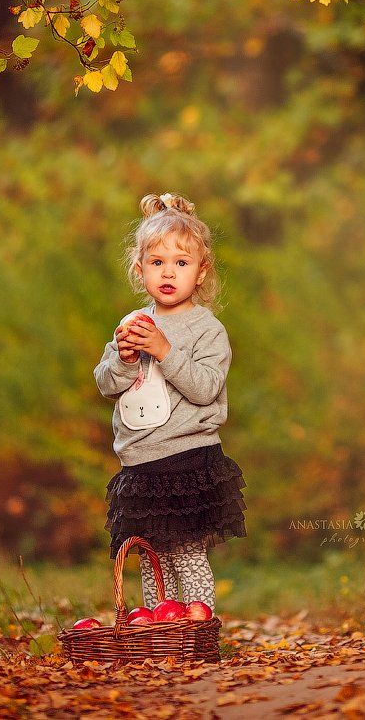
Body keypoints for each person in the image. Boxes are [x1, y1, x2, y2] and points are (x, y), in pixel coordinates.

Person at [93, 192, 247, 612]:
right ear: (139, 268)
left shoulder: (207, 330)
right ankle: (160, 629)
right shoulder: (132, 324)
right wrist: (124, 359)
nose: (168, 272)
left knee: (187, 553)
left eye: (181, 263)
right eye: (157, 262)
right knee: (152, 558)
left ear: (201, 273)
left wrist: (164, 350)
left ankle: (195, 626)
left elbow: (205, 387)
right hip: (140, 462)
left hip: (187, 459)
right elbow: (106, 384)